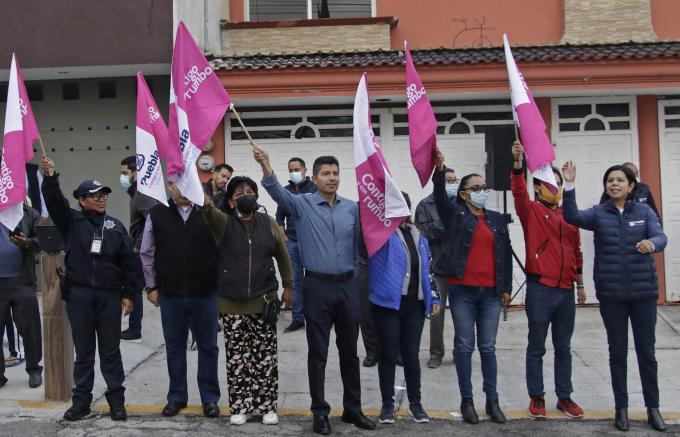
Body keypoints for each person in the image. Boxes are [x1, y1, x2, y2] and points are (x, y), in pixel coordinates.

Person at [254, 145, 376, 435]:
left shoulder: (351, 208)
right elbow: (276, 192)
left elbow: (361, 245)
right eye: (325, 173)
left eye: (335, 173)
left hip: (348, 286)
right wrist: (266, 164)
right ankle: (319, 412)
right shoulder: (302, 204)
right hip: (317, 286)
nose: (332, 178)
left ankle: (352, 409)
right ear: (315, 176)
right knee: (318, 352)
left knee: (349, 352)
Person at [562, 162, 667, 432]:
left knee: (647, 354)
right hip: (612, 294)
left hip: (643, 293)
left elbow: (660, 235)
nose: (614, 184)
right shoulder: (598, 213)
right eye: (610, 180)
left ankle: (652, 409)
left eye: (620, 180)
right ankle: (621, 409)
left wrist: (652, 243)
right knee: (617, 353)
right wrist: (569, 185)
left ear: (631, 186)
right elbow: (571, 216)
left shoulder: (644, 211)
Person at [40, 155, 138, 422]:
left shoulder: (116, 227)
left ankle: (117, 403)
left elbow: (130, 264)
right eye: (94, 195)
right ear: (82, 200)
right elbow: (54, 201)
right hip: (80, 296)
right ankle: (80, 403)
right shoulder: (71, 221)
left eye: (103, 194)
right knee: (84, 353)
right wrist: (50, 178)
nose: (101, 198)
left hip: (109, 297)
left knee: (110, 352)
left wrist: (130, 294)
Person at [199, 175, 293, 427]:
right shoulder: (223, 224)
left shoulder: (269, 223)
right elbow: (206, 207)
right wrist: (194, 182)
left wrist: (289, 287)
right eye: (239, 193)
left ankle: (267, 407)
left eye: (250, 191)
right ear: (230, 201)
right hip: (231, 304)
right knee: (237, 358)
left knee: (265, 357)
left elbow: (283, 257)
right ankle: (240, 406)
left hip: (264, 303)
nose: (246, 195)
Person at [432, 149, 512, 425]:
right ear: (464, 193)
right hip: (463, 291)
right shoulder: (456, 215)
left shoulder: (496, 219)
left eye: (484, 187)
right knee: (465, 346)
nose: (481, 191)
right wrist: (440, 172)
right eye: (475, 188)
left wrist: (506, 287)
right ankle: (467, 401)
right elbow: (441, 200)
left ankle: (492, 401)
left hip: (490, 292)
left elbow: (506, 252)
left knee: (487, 347)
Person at [511, 142, 586, 419]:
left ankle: (564, 397)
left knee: (564, 347)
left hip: (566, 292)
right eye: (548, 184)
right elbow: (517, 191)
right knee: (537, 345)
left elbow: (576, 250)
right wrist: (518, 163)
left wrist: (580, 284)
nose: (554, 188)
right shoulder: (530, 211)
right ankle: (537, 396)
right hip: (540, 288)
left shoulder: (569, 214)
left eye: (557, 184)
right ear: (537, 188)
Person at [139, 180, 221, 418]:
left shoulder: (209, 212)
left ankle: (209, 398)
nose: (183, 190)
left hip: (206, 292)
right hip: (170, 293)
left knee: (208, 347)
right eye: (178, 185)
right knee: (175, 347)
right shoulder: (157, 213)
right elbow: (147, 251)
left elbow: (224, 246)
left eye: (188, 184)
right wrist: (151, 285)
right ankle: (176, 397)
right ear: (170, 185)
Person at [368, 191, 440, 424]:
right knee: (388, 355)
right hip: (387, 305)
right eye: (396, 205)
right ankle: (387, 405)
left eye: (405, 205)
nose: (402, 209)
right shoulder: (380, 234)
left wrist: (435, 297)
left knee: (411, 356)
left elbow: (428, 268)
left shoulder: (419, 235)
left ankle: (416, 404)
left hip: (414, 306)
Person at [416, 167, 459, 369]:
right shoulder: (425, 205)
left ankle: (461, 352)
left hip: (460, 267)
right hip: (437, 266)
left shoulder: (461, 203)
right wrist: (447, 222)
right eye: (447, 180)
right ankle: (436, 353)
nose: (451, 183)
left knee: (462, 313)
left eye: (454, 180)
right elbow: (424, 232)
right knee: (436, 313)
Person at [0, 200, 43, 389]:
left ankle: (34, 369)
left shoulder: (27, 212)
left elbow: (43, 240)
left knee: (30, 328)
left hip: (22, 279)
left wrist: (27, 243)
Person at [120, 156, 159, 343]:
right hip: (140, 247)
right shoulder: (137, 192)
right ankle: (134, 327)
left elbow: (153, 221)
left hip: (141, 250)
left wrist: (139, 245)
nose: (122, 177)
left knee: (135, 287)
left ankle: (135, 328)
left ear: (136, 173)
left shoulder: (143, 194)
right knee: (136, 287)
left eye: (125, 173)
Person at [276, 157, 317, 333]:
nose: (294, 173)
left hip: (314, 242)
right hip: (292, 242)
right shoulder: (285, 191)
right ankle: (298, 318)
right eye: (290, 169)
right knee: (296, 281)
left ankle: (317, 318)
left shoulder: (315, 188)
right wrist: (284, 237)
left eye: (297, 169)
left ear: (305, 170)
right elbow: (279, 218)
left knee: (316, 280)